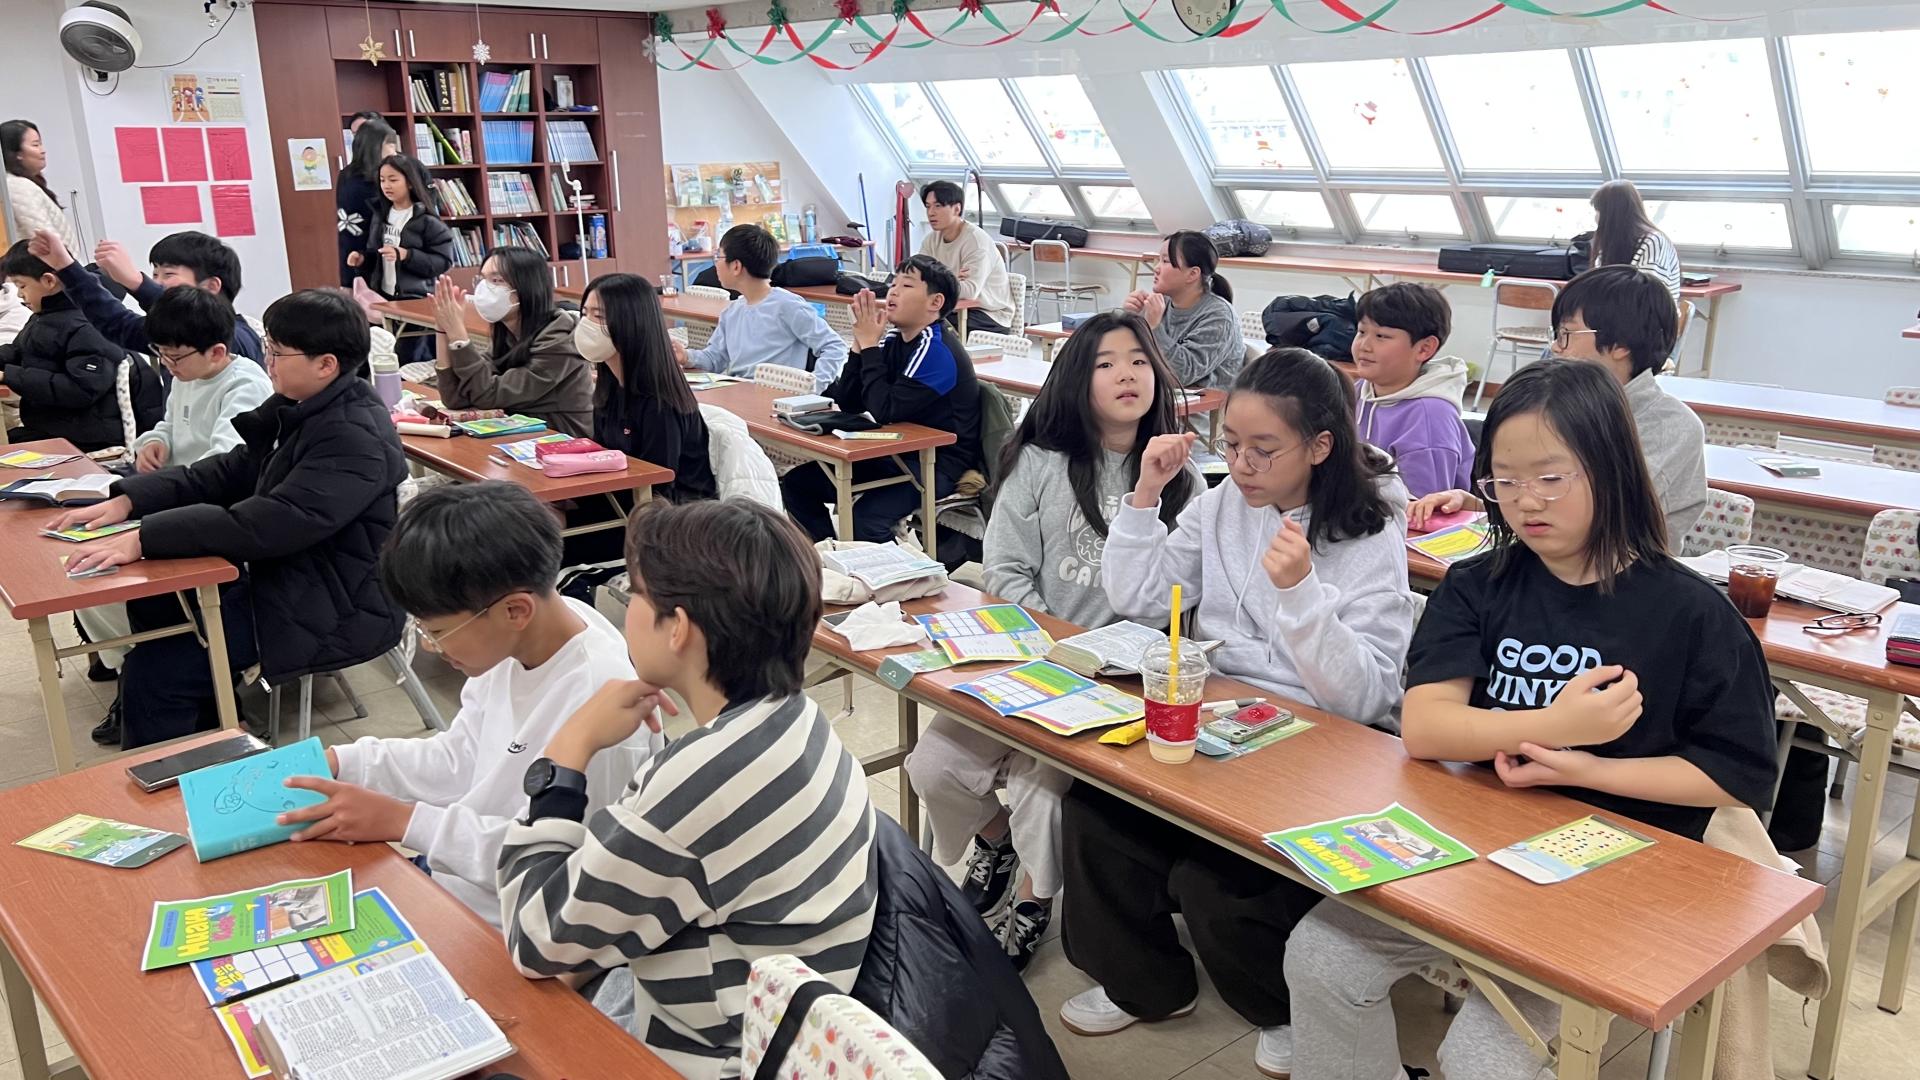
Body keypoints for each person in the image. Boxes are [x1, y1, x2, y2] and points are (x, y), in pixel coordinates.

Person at [1285, 357, 1776, 1080]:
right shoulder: (1478, 585)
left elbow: (1735, 776)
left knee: (1481, 1057)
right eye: (1504, 481)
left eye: (1550, 478)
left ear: (1609, 468)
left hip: (1612, 868)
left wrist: (1589, 768)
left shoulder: (1690, 612)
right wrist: (1555, 724)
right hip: (1471, 846)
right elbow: (1426, 728)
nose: (1525, 502)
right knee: (1321, 956)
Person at [1058, 348, 1416, 1080]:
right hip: (1225, 712)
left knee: (1216, 879)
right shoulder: (1224, 503)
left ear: (1320, 446)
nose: (1242, 465)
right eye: (1230, 445)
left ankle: (1278, 1007)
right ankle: (1146, 984)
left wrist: (1301, 593)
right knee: (1096, 808)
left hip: (1322, 740)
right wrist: (1144, 496)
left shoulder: (1368, 530)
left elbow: (1367, 697)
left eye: (1263, 449)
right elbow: (1142, 599)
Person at [496, 498, 877, 1079]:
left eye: (633, 593)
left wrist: (567, 751)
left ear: (677, 628)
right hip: (777, 1021)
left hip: (707, 1057)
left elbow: (532, 941)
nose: (625, 608)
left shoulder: (698, 782)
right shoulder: (796, 720)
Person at [905, 311, 1200, 972]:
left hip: (1117, 683)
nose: (1126, 374)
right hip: (1030, 659)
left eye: (1139, 361)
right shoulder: (1040, 461)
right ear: (1076, 380)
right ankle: (996, 840)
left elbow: (1178, 605)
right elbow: (1006, 572)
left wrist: (1102, 663)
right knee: (934, 765)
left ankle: (1033, 900)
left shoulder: (1181, 478)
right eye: (1105, 364)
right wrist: (1056, 652)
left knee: (1042, 785)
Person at [272, 482, 664, 927]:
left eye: (437, 632)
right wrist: (345, 762)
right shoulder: (522, 639)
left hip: (511, 925)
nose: (430, 645)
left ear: (515, 611)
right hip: (455, 883)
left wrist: (405, 822)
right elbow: (460, 758)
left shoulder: (604, 701)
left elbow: (564, 866)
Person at [59, 289, 408, 749]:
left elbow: (269, 523)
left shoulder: (353, 435)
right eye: (268, 347)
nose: (267, 361)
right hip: (288, 576)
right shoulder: (305, 407)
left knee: (156, 672)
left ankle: (177, 771)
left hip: (328, 602)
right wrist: (129, 500)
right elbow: (229, 470)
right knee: (157, 604)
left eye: (277, 352)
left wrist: (146, 536)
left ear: (326, 365)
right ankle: (211, 731)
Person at [78, 285, 272, 735]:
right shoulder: (188, 374)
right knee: (95, 571)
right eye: (161, 354)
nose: (167, 365)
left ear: (217, 351)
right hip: (177, 499)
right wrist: (154, 442)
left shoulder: (245, 385)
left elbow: (224, 468)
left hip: (210, 516)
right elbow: (168, 424)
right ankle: (142, 671)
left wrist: (151, 498)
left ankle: (171, 683)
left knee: (120, 576)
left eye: (175, 357)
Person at [1410, 265, 1705, 549]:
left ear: (1620, 345)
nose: (1555, 347)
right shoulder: (1564, 406)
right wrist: (1474, 506)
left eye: (1566, 334)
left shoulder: (1670, 427)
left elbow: (1595, 518)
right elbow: (1541, 503)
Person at [780, 254, 982, 543]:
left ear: (935, 302)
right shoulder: (895, 340)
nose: (893, 292)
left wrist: (870, 345)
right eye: (893, 284)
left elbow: (885, 410)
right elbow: (850, 402)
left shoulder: (936, 350)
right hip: (896, 452)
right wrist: (859, 345)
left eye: (907, 285)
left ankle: (889, 572)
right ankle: (826, 558)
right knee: (798, 484)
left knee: (865, 518)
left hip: (936, 464)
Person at [0, 241, 161, 449]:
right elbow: (18, 352)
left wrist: (8, 376)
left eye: (22, 286)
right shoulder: (45, 316)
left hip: (90, 438)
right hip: (54, 426)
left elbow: (81, 389)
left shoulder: (87, 324)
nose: (19, 295)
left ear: (49, 281)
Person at [28, 227, 264, 368]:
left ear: (211, 286)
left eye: (168, 274)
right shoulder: (176, 335)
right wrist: (65, 266)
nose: (157, 282)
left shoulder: (233, 337)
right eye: (154, 274)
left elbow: (185, 316)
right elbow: (116, 322)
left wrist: (137, 283)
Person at [578, 272, 717, 504]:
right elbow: (603, 459)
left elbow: (658, 487)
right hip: (623, 498)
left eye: (598, 316)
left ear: (632, 323)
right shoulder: (609, 387)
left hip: (673, 514)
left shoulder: (660, 402)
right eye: (584, 314)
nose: (586, 324)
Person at [431, 246, 591, 436]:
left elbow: (486, 395)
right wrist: (442, 330)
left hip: (562, 438)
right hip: (517, 433)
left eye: (496, 280)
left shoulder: (559, 338)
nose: (485, 289)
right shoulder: (507, 334)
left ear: (526, 286)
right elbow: (455, 399)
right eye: (483, 279)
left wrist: (458, 334)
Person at [671, 223, 847, 393]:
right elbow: (715, 358)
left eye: (719, 256)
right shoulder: (732, 311)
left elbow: (834, 346)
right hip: (739, 395)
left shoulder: (787, 305)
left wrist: (813, 388)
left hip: (775, 398)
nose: (715, 263)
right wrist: (686, 356)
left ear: (736, 266)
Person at [1350, 282, 1474, 499]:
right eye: (1361, 332)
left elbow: (1424, 507)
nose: (1364, 345)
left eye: (1381, 336)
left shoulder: (1429, 418)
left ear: (1424, 348)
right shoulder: (1360, 390)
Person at [1123, 230, 1242, 390]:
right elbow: (1125, 354)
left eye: (1165, 261)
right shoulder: (1161, 304)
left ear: (1192, 274)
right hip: (1158, 393)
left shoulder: (1219, 316)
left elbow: (1181, 375)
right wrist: (1130, 317)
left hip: (1202, 402)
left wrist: (1154, 328)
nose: (1156, 268)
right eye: (1158, 260)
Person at [918, 181, 1017, 336]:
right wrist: (951, 280)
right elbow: (918, 277)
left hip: (989, 315)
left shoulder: (975, 241)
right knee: (909, 316)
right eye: (927, 206)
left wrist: (939, 281)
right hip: (953, 308)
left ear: (957, 209)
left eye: (938, 206)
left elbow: (969, 291)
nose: (931, 212)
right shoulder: (931, 240)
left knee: (927, 322)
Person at [349, 154, 453, 302]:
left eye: (393, 180)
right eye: (382, 180)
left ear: (410, 182)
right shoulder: (379, 216)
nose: (386, 185)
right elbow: (375, 254)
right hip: (383, 295)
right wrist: (362, 259)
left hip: (415, 298)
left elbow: (443, 262)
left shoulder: (427, 221)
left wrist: (407, 255)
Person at [1591, 178, 1681, 303]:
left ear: (1613, 213)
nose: (1596, 217)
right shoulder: (1612, 245)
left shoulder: (1652, 241)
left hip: (1649, 314)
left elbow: (1647, 297)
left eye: (1599, 210)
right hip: (1619, 312)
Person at [338, 119, 398, 287]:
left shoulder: (346, 174)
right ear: (376, 146)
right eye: (390, 144)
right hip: (371, 254)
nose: (394, 151)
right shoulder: (374, 180)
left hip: (350, 251)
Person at [2, 120, 77, 252]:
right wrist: (68, 263)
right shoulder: (18, 186)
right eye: (35, 145)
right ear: (17, 154)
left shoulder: (22, 183)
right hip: (53, 262)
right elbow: (46, 239)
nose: (43, 151)